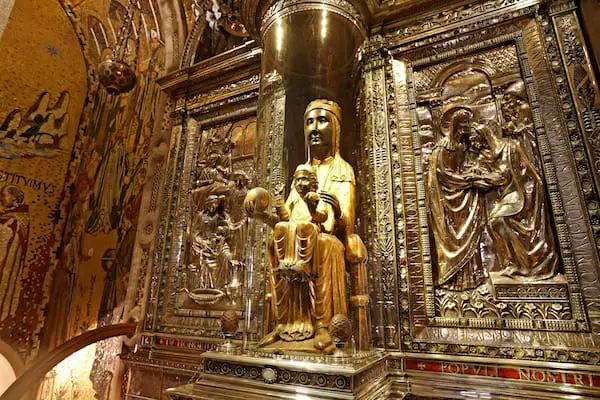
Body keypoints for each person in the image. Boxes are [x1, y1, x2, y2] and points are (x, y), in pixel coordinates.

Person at [245, 99, 368, 353]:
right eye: (309, 121)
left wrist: (323, 207)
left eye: (322, 120)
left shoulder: (342, 170)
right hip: (297, 237)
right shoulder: (301, 172)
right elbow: (286, 216)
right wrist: (260, 207)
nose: (314, 127)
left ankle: (323, 325)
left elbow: (346, 221)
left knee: (322, 243)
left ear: (335, 128)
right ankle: (284, 324)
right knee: (276, 238)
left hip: (327, 237)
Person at [428, 108, 505, 291]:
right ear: (457, 126)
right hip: (447, 201)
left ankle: (471, 278)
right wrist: (470, 180)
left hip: (462, 195)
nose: (467, 129)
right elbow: (443, 176)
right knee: (454, 237)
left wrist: (472, 173)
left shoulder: (462, 145)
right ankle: (453, 280)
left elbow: (463, 168)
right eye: (464, 126)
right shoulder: (443, 148)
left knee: (472, 226)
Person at [0, 185, 29, 321]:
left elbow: (9, 238)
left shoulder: (18, 219)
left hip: (6, 262)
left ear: (14, 198)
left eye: (5, 196)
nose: (2, 200)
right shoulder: (8, 217)